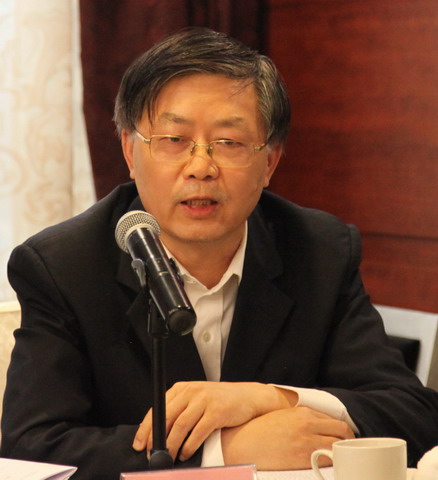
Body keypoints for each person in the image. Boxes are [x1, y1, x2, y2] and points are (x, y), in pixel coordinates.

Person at [1, 28, 438, 480]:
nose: (201, 167)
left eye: (229, 142)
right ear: (131, 152)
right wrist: (224, 451)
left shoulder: (319, 250)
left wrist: (270, 397)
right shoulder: (63, 267)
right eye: (173, 139)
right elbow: (32, 448)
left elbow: (414, 415)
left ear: (269, 162)